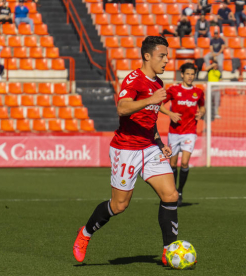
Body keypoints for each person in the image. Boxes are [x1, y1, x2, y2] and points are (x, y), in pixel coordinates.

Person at [73, 36, 180, 267]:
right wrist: (151, 99)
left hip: (149, 148)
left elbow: (150, 121)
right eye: (162, 56)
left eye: (167, 55)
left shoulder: (158, 84)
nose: (166, 60)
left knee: (171, 195)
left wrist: (160, 143)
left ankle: (169, 250)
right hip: (126, 149)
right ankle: (86, 233)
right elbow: (122, 108)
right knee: (119, 205)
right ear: (147, 56)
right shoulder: (134, 79)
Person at [160, 63, 206, 207]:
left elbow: (202, 107)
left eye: (192, 74)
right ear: (182, 74)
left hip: (190, 132)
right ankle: (173, 190)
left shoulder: (198, 92)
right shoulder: (173, 89)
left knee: (184, 162)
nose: (190, 76)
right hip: (174, 132)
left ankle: (180, 191)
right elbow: (159, 105)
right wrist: (170, 113)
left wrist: (201, 113)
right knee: (173, 163)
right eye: (187, 74)